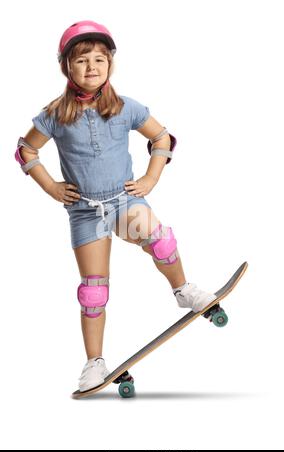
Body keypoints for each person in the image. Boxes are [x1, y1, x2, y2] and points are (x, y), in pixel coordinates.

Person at [15, 20, 217, 392]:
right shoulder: (55, 114)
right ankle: (94, 363)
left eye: (99, 59)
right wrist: (51, 187)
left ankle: (183, 291)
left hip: (124, 200)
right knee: (93, 290)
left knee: (160, 239)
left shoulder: (126, 108)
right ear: (66, 67)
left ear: (110, 64)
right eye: (81, 61)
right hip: (84, 213)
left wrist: (151, 179)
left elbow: (162, 137)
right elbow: (26, 149)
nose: (91, 67)